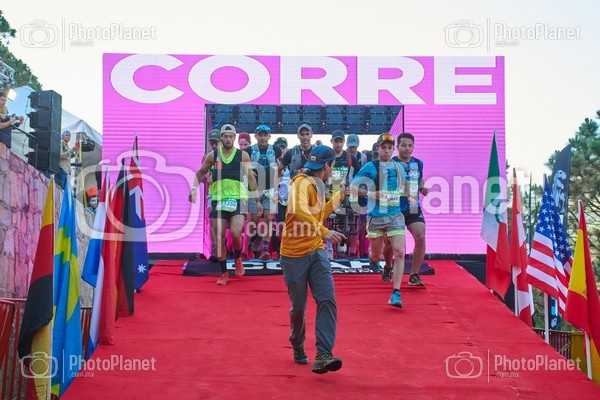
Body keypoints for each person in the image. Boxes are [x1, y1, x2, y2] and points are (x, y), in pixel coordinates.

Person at [280, 145, 347, 374]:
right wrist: (324, 231)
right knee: (299, 308)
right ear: (327, 166)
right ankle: (297, 341)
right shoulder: (301, 183)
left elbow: (318, 214)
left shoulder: (318, 185)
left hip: (316, 251)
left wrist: (341, 195)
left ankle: (323, 354)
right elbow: (299, 211)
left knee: (327, 300)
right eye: (332, 166)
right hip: (293, 255)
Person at [190, 124, 260, 285]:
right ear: (221, 138)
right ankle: (224, 272)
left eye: (231, 136)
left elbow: (250, 177)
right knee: (219, 237)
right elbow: (201, 172)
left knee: (235, 232)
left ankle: (237, 258)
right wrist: (194, 189)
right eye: (225, 136)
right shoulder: (213, 155)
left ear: (234, 138)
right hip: (219, 198)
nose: (228, 139)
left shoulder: (242, 155)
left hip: (238, 198)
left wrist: (256, 200)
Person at [350, 133, 411, 307]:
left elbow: (405, 184)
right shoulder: (370, 166)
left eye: (389, 148)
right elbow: (352, 188)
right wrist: (371, 194)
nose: (386, 151)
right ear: (378, 149)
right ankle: (374, 259)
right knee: (377, 256)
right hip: (376, 218)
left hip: (395, 215)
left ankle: (396, 293)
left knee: (399, 252)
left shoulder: (398, 166)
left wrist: (409, 196)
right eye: (383, 148)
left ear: (393, 150)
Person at [381, 133, 428, 286]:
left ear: (413, 147)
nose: (407, 148)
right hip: (394, 209)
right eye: (403, 145)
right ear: (397, 147)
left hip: (413, 208)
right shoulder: (391, 163)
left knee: (420, 237)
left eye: (410, 146)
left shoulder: (418, 163)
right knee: (389, 243)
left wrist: (422, 187)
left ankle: (414, 275)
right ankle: (388, 267)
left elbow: (420, 178)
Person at [245, 124, 282, 260]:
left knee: (269, 218)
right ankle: (256, 238)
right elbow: (242, 167)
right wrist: (248, 171)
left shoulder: (276, 150)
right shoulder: (249, 150)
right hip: (254, 189)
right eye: (260, 135)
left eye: (265, 135)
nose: (262, 138)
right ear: (255, 136)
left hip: (269, 189)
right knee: (254, 219)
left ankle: (265, 249)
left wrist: (277, 189)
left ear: (269, 136)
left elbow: (280, 169)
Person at [327, 129, 359, 258]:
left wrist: (353, 186)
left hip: (346, 193)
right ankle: (328, 247)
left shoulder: (349, 157)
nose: (338, 144)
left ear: (344, 142)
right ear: (332, 142)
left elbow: (360, 174)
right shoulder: (327, 156)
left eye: (341, 141)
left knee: (352, 217)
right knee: (324, 217)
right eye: (336, 141)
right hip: (330, 192)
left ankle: (352, 249)